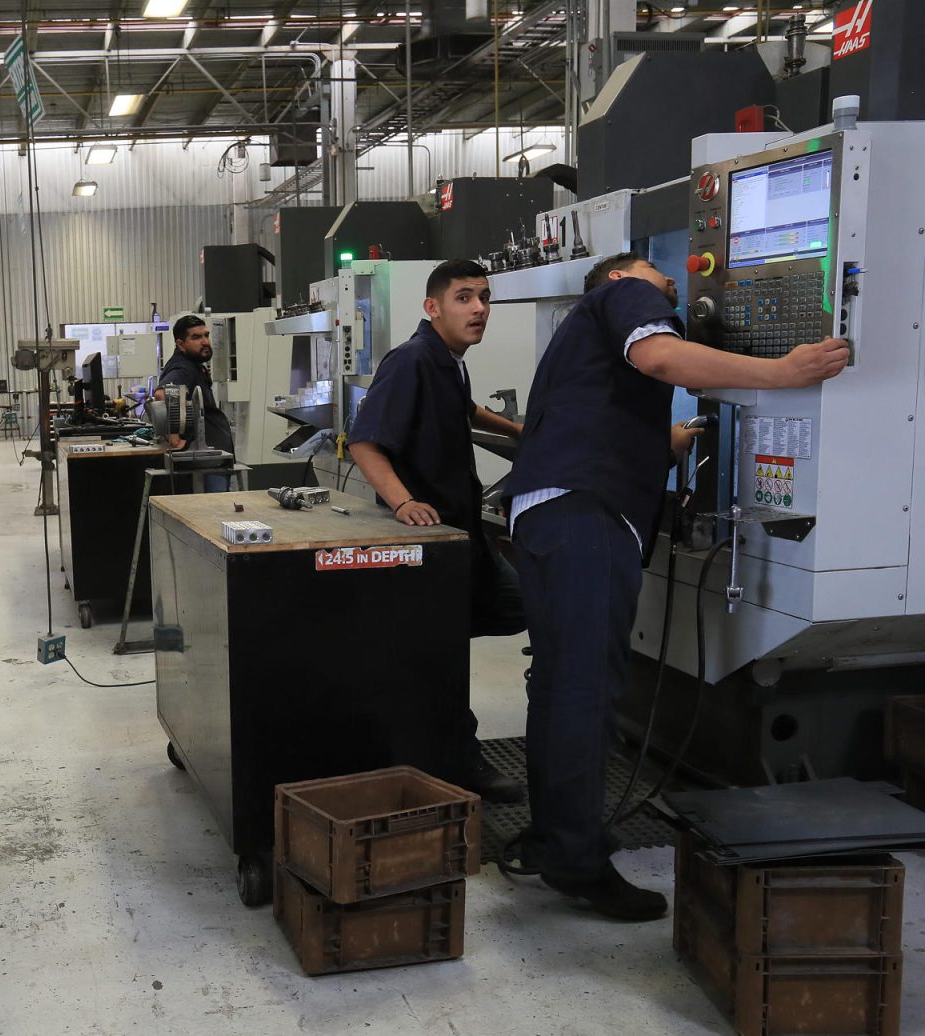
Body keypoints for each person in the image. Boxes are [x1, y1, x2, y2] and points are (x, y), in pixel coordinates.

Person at [505, 252, 848, 921]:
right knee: (583, 692)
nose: (675, 290)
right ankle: (575, 859)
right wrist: (784, 372)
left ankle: (553, 838)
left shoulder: (583, 335)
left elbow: (611, 409)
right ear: (620, 278)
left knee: (559, 688)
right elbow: (664, 360)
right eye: (666, 282)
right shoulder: (624, 294)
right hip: (584, 514)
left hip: (552, 514)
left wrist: (667, 440)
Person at [346, 259, 527, 803]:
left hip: (463, 534)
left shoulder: (449, 361)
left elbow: (464, 408)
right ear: (433, 307)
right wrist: (403, 502)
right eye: (465, 298)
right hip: (429, 541)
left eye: (484, 298)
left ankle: (448, 753)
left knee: (518, 606)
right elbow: (364, 442)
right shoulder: (411, 360)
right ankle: (450, 765)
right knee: (442, 656)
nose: (479, 309)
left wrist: (519, 429)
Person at [155, 315, 234, 492]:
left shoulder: (194, 364)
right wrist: (174, 437)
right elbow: (162, 394)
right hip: (206, 462)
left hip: (212, 456)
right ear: (181, 344)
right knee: (215, 512)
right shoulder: (184, 368)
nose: (205, 341)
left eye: (206, 335)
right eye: (196, 337)